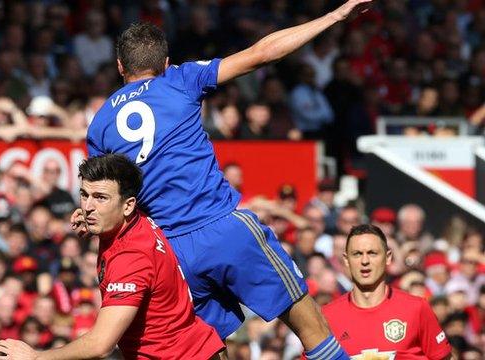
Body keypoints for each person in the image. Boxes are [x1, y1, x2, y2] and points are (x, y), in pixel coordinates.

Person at [81, 1, 373, 358]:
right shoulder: (180, 79)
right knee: (308, 322)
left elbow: (102, 194)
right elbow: (262, 53)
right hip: (223, 228)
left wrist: (84, 216)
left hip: (172, 253)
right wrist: (334, 15)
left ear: (120, 67)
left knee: (204, 348)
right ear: (165, 63)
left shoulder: (99, 124)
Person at [0, 154, 224, 359]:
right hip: (199, 346)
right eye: (84, 195)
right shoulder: (130, 219)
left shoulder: (130, 258)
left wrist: (36, 357)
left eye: (100, 197)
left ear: (128, 205)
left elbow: (101, 345)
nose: (88, 206)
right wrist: (93, 221)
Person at [322, 224, 453, 359]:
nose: (365, 261)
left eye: (372, 253)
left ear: (388, 257)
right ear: (346, 260)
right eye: (357, 254)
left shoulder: (416, 308)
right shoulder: (326, 317)